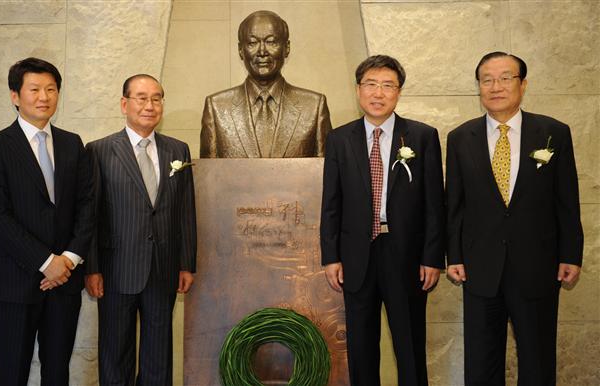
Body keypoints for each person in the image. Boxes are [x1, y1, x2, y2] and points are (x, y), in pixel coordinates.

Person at [446, 52, 584, 385]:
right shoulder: (460, 138)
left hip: (537, 264)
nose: (496, 87)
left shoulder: (553, 133)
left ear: (522, 84)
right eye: (487, 79)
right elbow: (454, 204)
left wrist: (571, 254)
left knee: (537, 360)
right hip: (480, 268)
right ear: (479, 86)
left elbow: (567, 200)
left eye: (505, 78)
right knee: (481, 362)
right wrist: (455, 256)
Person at [320, 55, 445, 386]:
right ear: (358, 90)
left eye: (388, 85)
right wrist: (331, 256)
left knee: (409, 346)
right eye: (370, 84)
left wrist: (432, 258)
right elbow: (331, 203)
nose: (378, 93)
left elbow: (435, 203)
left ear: (398, 92)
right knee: (361, 347)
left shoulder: (421, 136)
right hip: (357, 254)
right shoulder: (339, 139)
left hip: (405, 253)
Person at [0, 57, 94, 386]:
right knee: (12, 373)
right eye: (35, 89)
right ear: (15, 95)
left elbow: (87, 206)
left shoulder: (73, 144)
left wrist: (67, 261)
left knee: (58, 373)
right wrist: (45, 262)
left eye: (51, 89)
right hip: (16, 279)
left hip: (65, 282)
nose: (44, 96)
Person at [85, 74, 197, 385]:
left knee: (158, 358)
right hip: (116, 270)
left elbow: (185, 211)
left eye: (157, 98)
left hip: (163, 268)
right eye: (141, 98)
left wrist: (186, 263)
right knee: (115, 354)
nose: (150, 105)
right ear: (124, 104)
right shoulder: (99, 150)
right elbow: (90, 217)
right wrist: (91, 268)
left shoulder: (178, 150)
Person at [200, 10, 331, 158]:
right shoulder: (217, 107)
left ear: (286, 48)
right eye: (252, 43)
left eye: (271, 42)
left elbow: (324, 173)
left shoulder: (314, 106)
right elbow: (208, 175)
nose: (262, 51)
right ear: (240, 50)